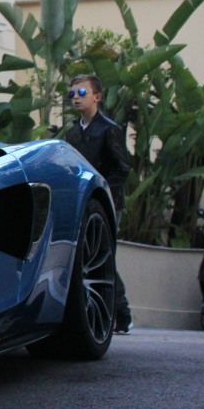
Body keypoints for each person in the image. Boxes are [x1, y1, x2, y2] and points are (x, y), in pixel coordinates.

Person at [63, 73, 133, 333]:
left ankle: (121, 314)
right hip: (82, 204)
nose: (76, 98)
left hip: (108, 203)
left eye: (82, 93)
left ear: (97, 97)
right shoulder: (72, 133)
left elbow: (123, 167)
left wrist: (103, 190)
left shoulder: (109, 129)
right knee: (89, 257)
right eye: (72, 94)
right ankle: (108, 314)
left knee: (103, 256)